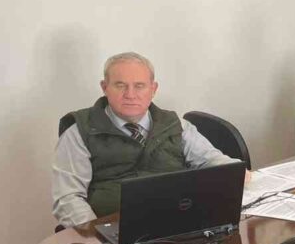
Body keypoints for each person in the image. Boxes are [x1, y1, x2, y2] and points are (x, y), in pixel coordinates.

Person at [52, 52, 244, 229]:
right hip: (114, 228)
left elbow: (212, 160)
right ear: (105, 88)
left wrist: (239, 173)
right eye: (120, 85)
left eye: (139, 86)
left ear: (153, 89)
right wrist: (96, 235)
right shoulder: (80, 132)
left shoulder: (176, 125)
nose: (130, 94)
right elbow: (68, 199)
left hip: (178, 221)